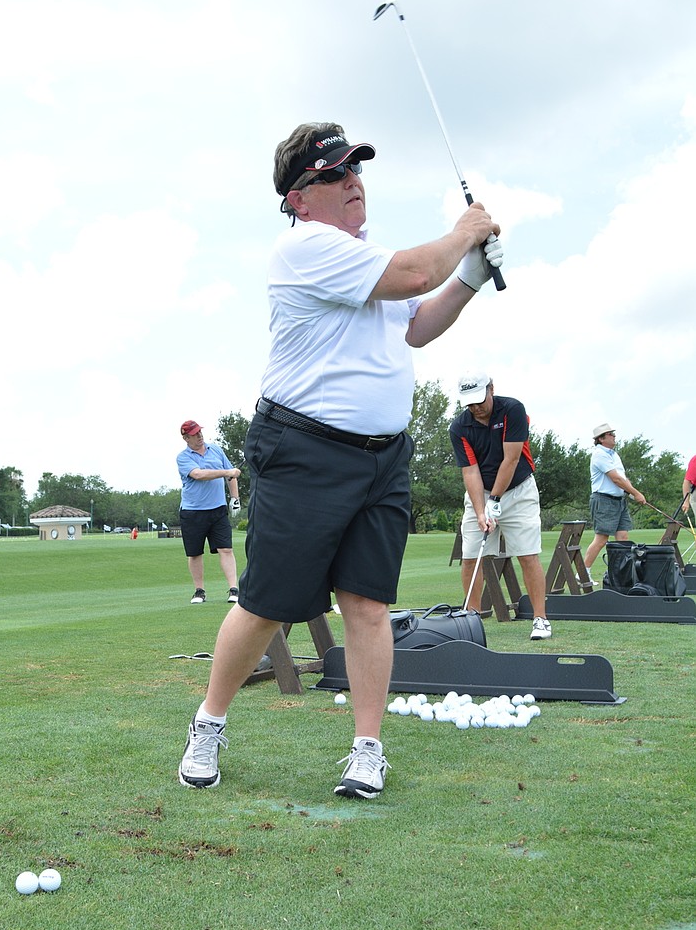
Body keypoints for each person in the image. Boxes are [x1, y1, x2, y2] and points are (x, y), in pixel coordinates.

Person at [177, 121, 502, 799]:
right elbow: (416, 271)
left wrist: (469, 276)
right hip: (304, 450)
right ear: (299, 197)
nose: (353, 181)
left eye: (356, 169)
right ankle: (208, 721)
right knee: (268, 602)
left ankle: (367, 748)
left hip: (382, 458)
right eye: (333, 174)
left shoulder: (365, 257)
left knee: (369, 605)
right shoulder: (303, 250)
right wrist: (465, 232)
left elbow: (414, 323)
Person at [449, 373, 551, 640]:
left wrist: (495, 500)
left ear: (491, 389)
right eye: (469, 403)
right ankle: (470, 621)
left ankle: (540, 619)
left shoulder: (513, 410)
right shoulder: (459, 427)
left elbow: (512, 458)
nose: (476, 408)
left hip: (518, 490)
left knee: (527, 554)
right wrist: (481, 509)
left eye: (480, 400)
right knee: (470, 556)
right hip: (479, 493)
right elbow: (470, 472)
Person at [177, 419, 241, 605]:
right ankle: (199, 591)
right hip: (192, 511)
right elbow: (199, 475)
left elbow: (231, 476)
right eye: (195, 434)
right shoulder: (183, 457)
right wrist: (226, 472)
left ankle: (233, 589)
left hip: (218, 509)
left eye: (200, 432)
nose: (199, 436)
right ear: (186, 437)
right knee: (195, 553)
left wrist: (234, 498)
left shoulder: (216, 450)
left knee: (226, 549)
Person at [583, 422, 645, 576]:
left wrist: (631, 493)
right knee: (601, 539)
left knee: (623, 537)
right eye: (611, 434)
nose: (614, 436)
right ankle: (584, 573)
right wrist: (636, 493)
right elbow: (615, 479)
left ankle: (620, 574)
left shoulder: (614, 454)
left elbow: (623, 478)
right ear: (601, 439)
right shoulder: (599, 454)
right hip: (604, 500)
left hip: (619, 501)